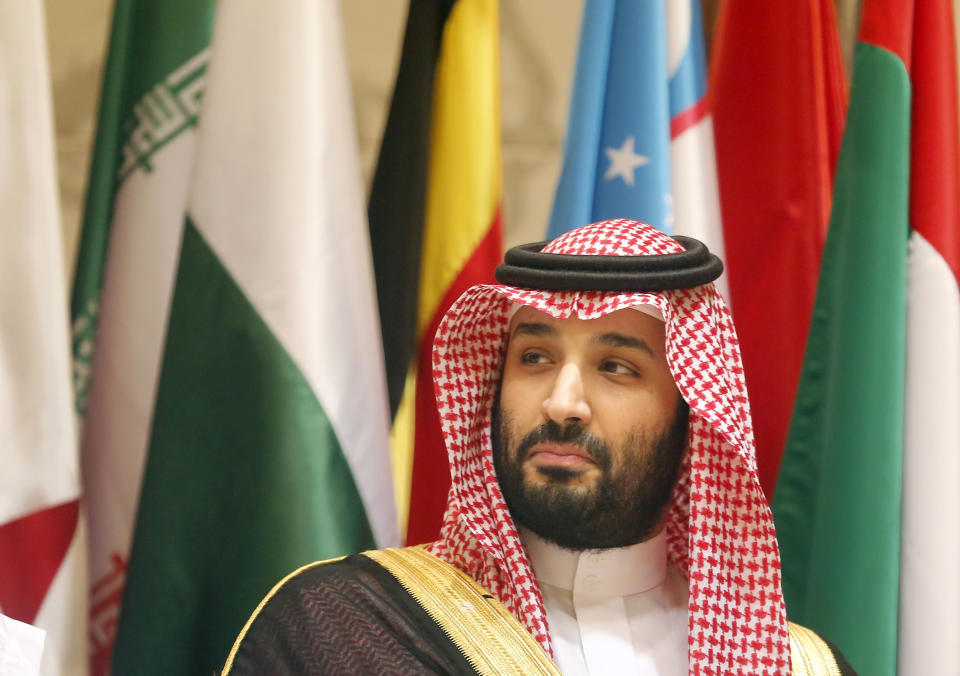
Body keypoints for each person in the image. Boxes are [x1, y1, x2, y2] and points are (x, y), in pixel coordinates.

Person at [221, 219, 854, 675]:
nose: (561, 403)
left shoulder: (803, 667)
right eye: (534, 358)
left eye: (617, 367)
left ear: (693, 417)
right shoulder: (345, 632)